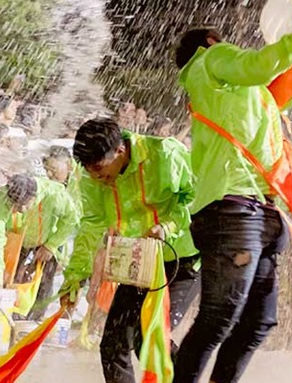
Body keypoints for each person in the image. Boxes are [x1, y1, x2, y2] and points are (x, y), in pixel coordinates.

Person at [171, 24, 292, 383]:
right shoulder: (212, 60)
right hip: (233, 209)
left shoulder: (237, 93)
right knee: (219, 317)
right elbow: (257, 65)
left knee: (258, 322)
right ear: (209, 43)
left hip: (259, 210)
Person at [61, 118, 200, 383]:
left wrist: (168, 226)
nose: (98, 179)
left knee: (147, 337)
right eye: (91, 173)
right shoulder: (93, 177)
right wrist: (73, 278)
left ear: (120, 151)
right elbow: (91, 225)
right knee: (112, 344)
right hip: (138, 262)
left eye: (101, 171)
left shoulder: (164, 154)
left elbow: (194, 196)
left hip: (180, 260)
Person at [0, 173, 79, 319]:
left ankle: (32, 325)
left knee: (41, 288)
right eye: (14, 205)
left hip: (45, 243)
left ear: (34, 197)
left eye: (23, 205)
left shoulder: (54, 194)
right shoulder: (0, 199)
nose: (20, 210)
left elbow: (72, 220)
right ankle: (7, 322)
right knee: (8, 284)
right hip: (14, 243)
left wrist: (51, 246)